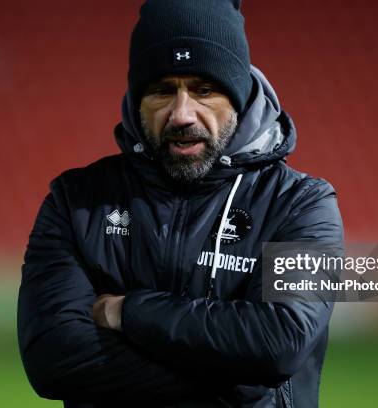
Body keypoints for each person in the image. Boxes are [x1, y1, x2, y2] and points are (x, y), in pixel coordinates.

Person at [17, 1, 344, 407]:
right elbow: (54, 359)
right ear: (137, 102)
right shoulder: (77, 201)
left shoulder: (302, 205)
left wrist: (131, 313)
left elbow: (281, 342)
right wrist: (238, 376)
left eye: (204, 89)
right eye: (162, 90)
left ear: (239, 98)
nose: (182, 113)